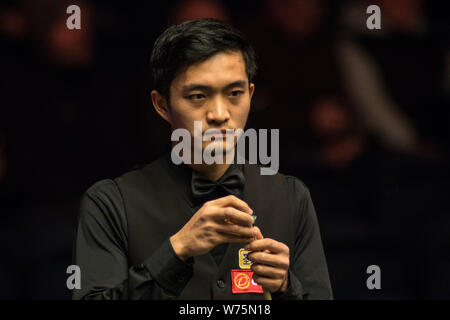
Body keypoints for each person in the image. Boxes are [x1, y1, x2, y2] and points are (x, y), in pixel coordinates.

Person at [72, 18, 332, 300]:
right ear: (162, 105)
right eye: (198, 96)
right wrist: (176, 252)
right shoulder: (110, 203)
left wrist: (286, 288)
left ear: (251, 94)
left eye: (234, 93)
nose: (220, 113)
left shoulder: (292, 197)